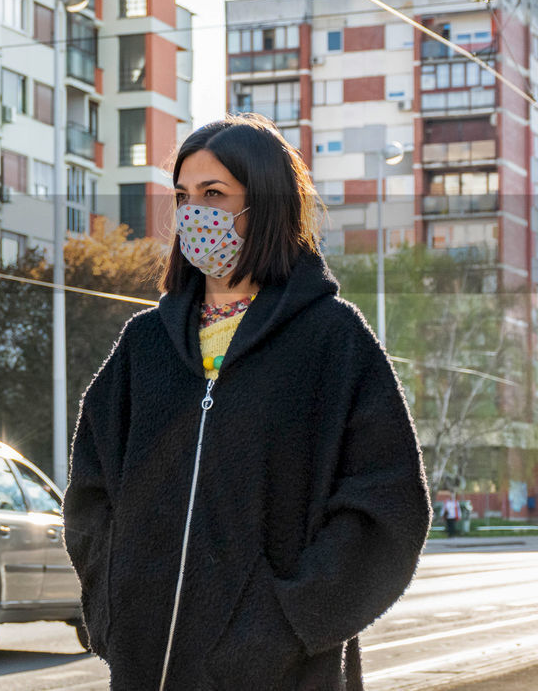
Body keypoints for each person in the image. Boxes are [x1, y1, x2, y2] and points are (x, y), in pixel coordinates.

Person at [63, 114, 432, 690]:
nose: (193, 214)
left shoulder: (331, 340)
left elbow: (386, 509)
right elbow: (90, 490)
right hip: (146, 668)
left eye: (214, 194)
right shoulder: (145, 344)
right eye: (183, 197)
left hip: (283, 673)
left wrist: (284, 624)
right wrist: (115, 608)